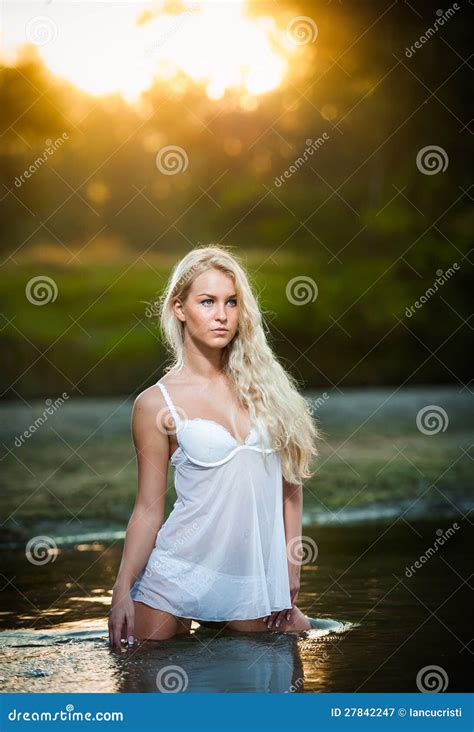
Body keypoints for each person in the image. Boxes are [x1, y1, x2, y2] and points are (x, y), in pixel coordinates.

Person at [109, 245, 320, 649]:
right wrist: (122, 588)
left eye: (231, 302)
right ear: (180, 308)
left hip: (251, 581)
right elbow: (149, 508)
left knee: (292, 653)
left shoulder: (268, 391)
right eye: (207, 302)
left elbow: (290, 488)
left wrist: (291, 569)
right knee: (141, 671)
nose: (222, 315)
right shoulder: (155, 404)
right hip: (177, 574)